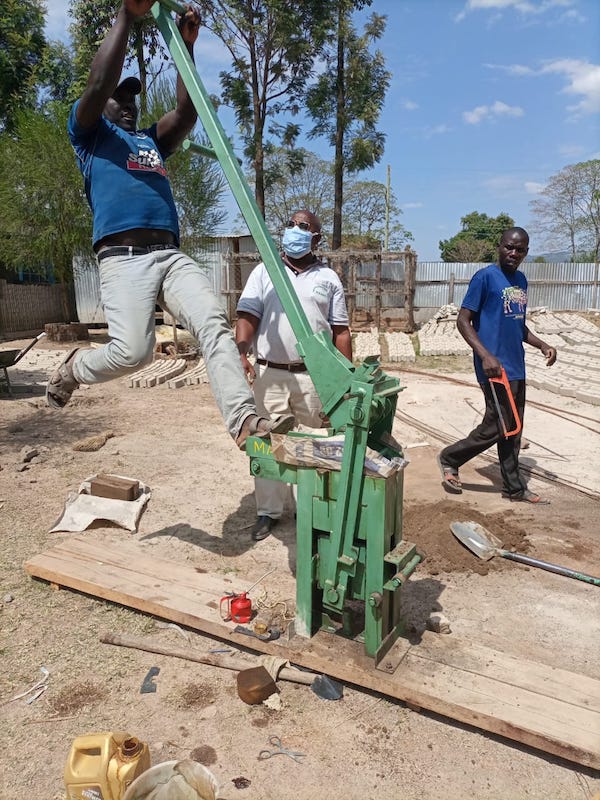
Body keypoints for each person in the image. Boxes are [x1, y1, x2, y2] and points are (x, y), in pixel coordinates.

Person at [46, 0, 293, 451]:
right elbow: (99, 84)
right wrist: (127, 15)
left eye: (132, 98)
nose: (127, 104)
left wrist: (185, 45)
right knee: (133, 354)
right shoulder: (89, 136)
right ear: (101, 105)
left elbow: (187, 112)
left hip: (170, 254)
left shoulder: (151, 142)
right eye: (119, 97)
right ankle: (73, 370)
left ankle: (243, 420)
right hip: (123, 259)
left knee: (214, 324)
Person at [236, 210, 352, 541]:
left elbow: (340, 331)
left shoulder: (328, 278)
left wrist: (344, 378)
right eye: (290, 224)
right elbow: (247, 317)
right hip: (270, 374)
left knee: (316, 443)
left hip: (312, 377)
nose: (294, 230)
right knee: (267, 443)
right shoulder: (264, 272)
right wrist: (240, 351)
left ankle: (311, 513)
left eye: (303, 227)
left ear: (316, 238)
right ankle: (268, 512)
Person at [437, 227, 557, 504]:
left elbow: (518, 323)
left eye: (520, 250)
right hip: (493, 367)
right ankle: (450, 457)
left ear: (526, 252)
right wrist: (485, 356)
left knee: (513, 427)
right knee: (497, 425)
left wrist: (542, 345)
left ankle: (513, 488)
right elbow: (463, 320)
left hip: (516, 365)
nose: (513, 253)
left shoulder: (521, 282)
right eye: (509, 247)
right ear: (499, 246)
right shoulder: (485, 278)